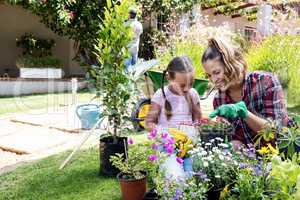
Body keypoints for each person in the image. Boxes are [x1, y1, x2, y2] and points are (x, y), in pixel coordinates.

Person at [201, 38, 295, 148]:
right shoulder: (219, 99)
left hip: (284, 154)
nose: (213, 79)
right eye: (209, 75)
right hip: (252, 160)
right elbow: (235, 139)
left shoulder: (265, 82)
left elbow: (277, 133)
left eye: (216, 72)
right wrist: (223, 131)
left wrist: (245, 114)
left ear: (231, 63)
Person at [146, 55, 202, 130]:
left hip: (188, 139)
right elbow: (149, 123)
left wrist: (195, 125)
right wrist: (160, 131)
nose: (187, 89)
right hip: (166, 139)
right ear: (169, 78)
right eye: (182, 85)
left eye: (191, 83)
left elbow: (198, 120)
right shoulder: (160, 95)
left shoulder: (193, 94)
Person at [124, 8, 143, 72]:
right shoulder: (139, 24)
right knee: (134, 68)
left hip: (127, 49)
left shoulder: (126, 24)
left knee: (127, 69)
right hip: (135, 48)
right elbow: (140, 33)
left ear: (129, 15)